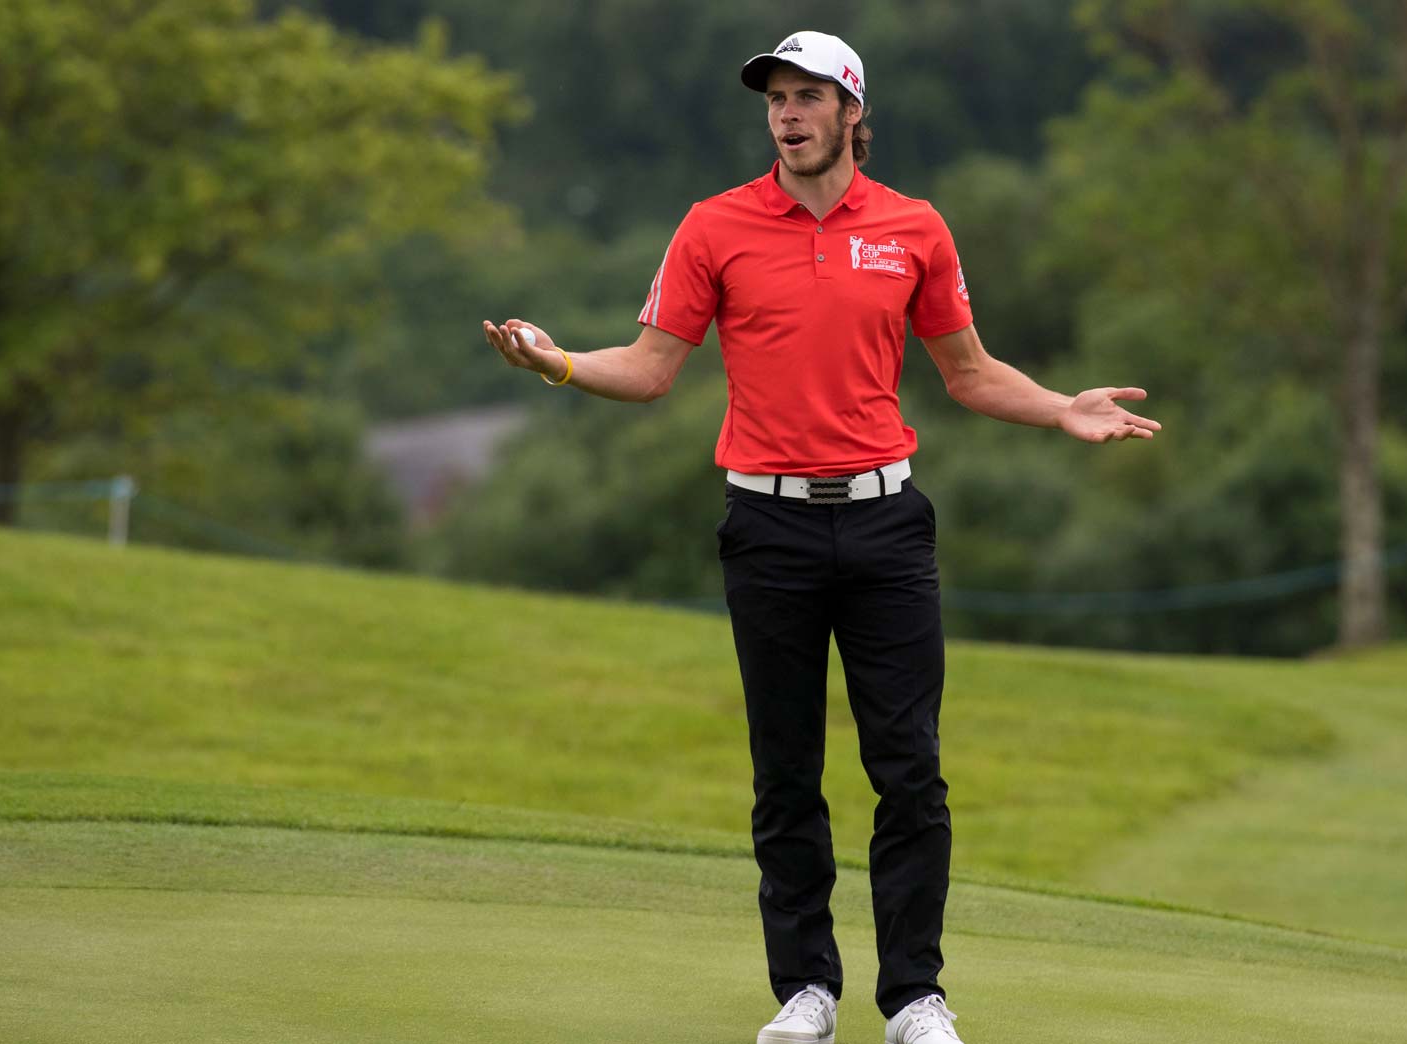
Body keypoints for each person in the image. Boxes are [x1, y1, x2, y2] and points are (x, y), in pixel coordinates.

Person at [482, 29, 1160, 1044]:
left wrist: (1060, 406)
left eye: (806, 97)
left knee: (908, 769)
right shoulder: (714, 227)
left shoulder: (912, 228)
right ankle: (805, 991)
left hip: (888, 523)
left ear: (851, 113)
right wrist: (561, 366)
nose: (787, 115)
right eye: (774, 99)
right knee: (785, 769)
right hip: (767, 523)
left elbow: (967, 372)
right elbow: (652, 364)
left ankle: (915, 998)